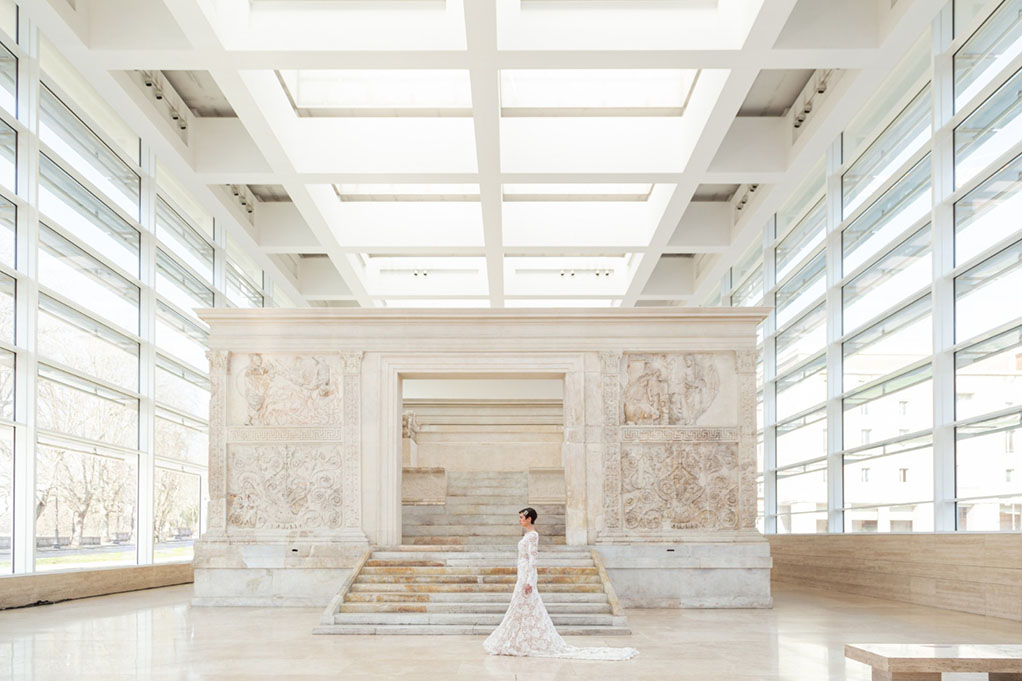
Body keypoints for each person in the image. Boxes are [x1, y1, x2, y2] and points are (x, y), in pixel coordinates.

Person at [482, 507, 638, 660]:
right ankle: (519, 640)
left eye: (522, 518)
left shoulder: (533, 535)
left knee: (523, 606)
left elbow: (533, 559)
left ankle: (521, 641)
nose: (519, 520)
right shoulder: (527, 535)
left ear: (529, 519)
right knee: (521, 608)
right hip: (522, 572)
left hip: (526, 575)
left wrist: (529, 581)